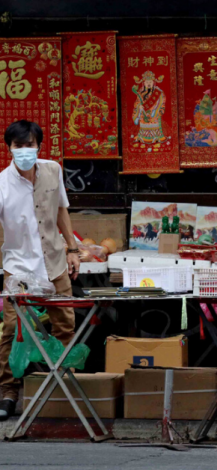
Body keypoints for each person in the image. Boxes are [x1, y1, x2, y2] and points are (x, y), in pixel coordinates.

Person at [0, 120, 81, 421]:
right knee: (12, 331)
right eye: (18, 145)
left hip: (55, 263)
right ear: (9, 147)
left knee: (65, 326)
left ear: (39, 146)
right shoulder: (2, 184)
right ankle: (9, 393)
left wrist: (72, 249)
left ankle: (64, 388)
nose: (25, 151)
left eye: (30, 144)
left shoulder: (53, 170)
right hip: (19, 270)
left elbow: (61, 208)